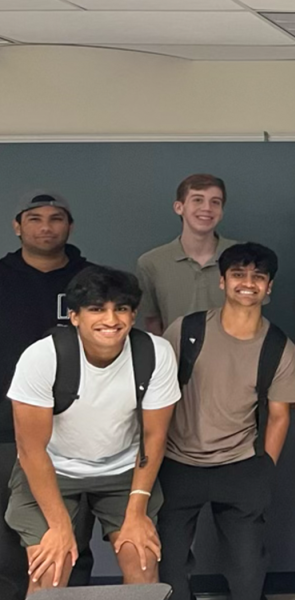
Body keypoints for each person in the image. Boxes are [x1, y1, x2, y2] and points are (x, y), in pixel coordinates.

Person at [5, 266, 179, 594]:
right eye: (97, 309)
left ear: (133, 314)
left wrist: (137, 511)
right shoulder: (42, 357)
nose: (111, 320)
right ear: (74, 316)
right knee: (50, 568)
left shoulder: (155, 353)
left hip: (122, 470)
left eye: (121, 308)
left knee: (142, 561)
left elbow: (154, 437)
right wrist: (59, 526)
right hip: (53, 468)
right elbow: (31, 449)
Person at [158, 243, 295, 600]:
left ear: (269, 286)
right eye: (238, 274)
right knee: (169, 571)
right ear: (222, 281)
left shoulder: (279, 348)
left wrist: (264, 468)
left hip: (240, 466)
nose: (247, 283)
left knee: (248, 573)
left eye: (258, 277)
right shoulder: (185, 330)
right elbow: (156, 400)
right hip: (178, 463)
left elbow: (279, 416)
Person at [1, 191, 96, 598]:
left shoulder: (92, 282)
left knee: (72, 538)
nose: (46, 227)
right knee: (9, 542)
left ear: (69, 226)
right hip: (5, 432)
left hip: (76, 434)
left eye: (56, 218)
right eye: (35, 218)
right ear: (17, 226)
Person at [136, 174, 238, 335]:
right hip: (174, 350)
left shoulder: (244, 258)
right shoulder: (151, 263)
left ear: (221, 212)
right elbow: (151, 320)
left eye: (215, 202)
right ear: (179, 207)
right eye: (197, 200)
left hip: (234, 351)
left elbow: (253, 314)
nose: (207, 208)